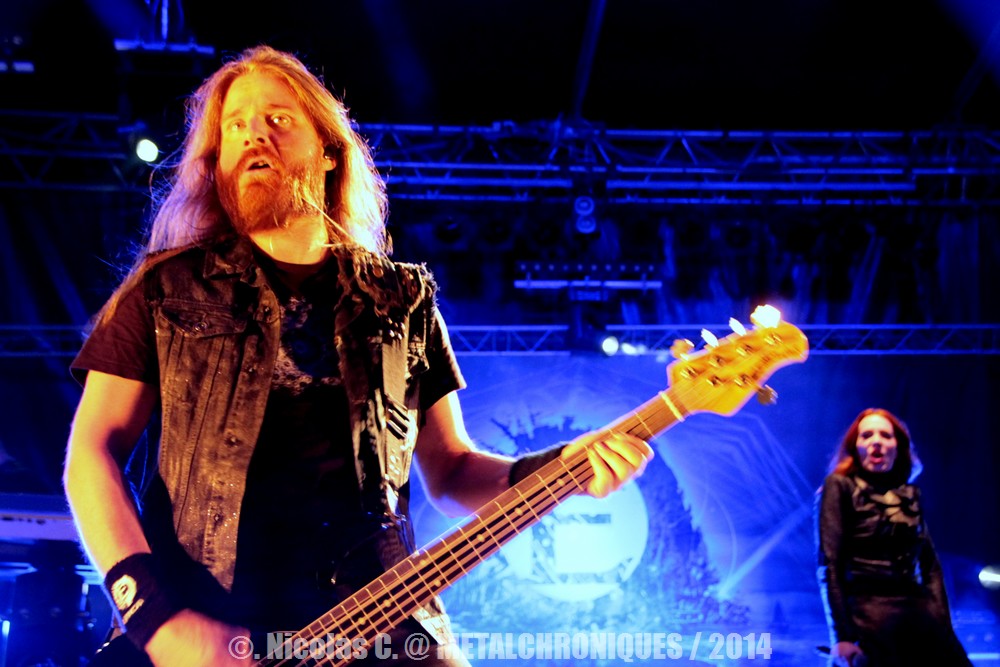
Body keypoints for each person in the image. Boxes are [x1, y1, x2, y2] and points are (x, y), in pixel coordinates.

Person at [62, 45, 652, 666]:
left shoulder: (403, 300)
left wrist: (562, 470)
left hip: (382, 622)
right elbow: (90, 454)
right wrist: (158, 619)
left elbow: (452, 472)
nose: (254, 135)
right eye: (234, 126)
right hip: (215, 628)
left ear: (329, 151)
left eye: (278, 119)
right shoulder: (167, 289)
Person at [815, 408, 971, 667]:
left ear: (898, 447)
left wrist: (944, 626)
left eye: (885, 435)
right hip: (868, 615)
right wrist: (841, 637)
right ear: (855, 446)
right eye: (867, 435)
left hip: (920, 614)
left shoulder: (909, 494)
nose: (876, 441)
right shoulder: (839, 486)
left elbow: (930, 567)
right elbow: (830, 564)